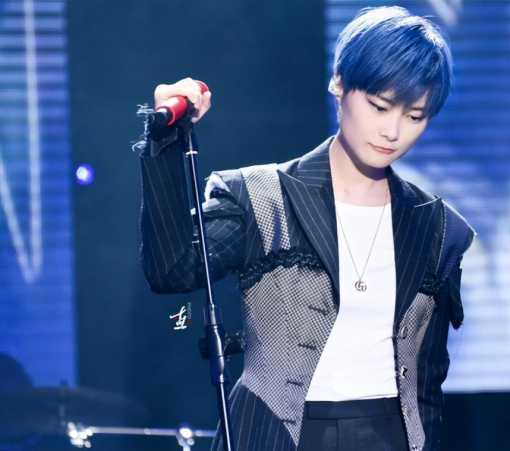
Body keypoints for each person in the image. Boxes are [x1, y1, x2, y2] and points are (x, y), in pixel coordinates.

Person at [138, 6, 474, 451]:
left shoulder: (437, 228)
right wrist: (164, 141)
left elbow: (428, 383)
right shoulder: (262, 198)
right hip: (276, 434)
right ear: (339, 83)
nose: (392, 131)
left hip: (388, 437)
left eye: (414, 116)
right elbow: (171, 270)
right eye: (379, 106)